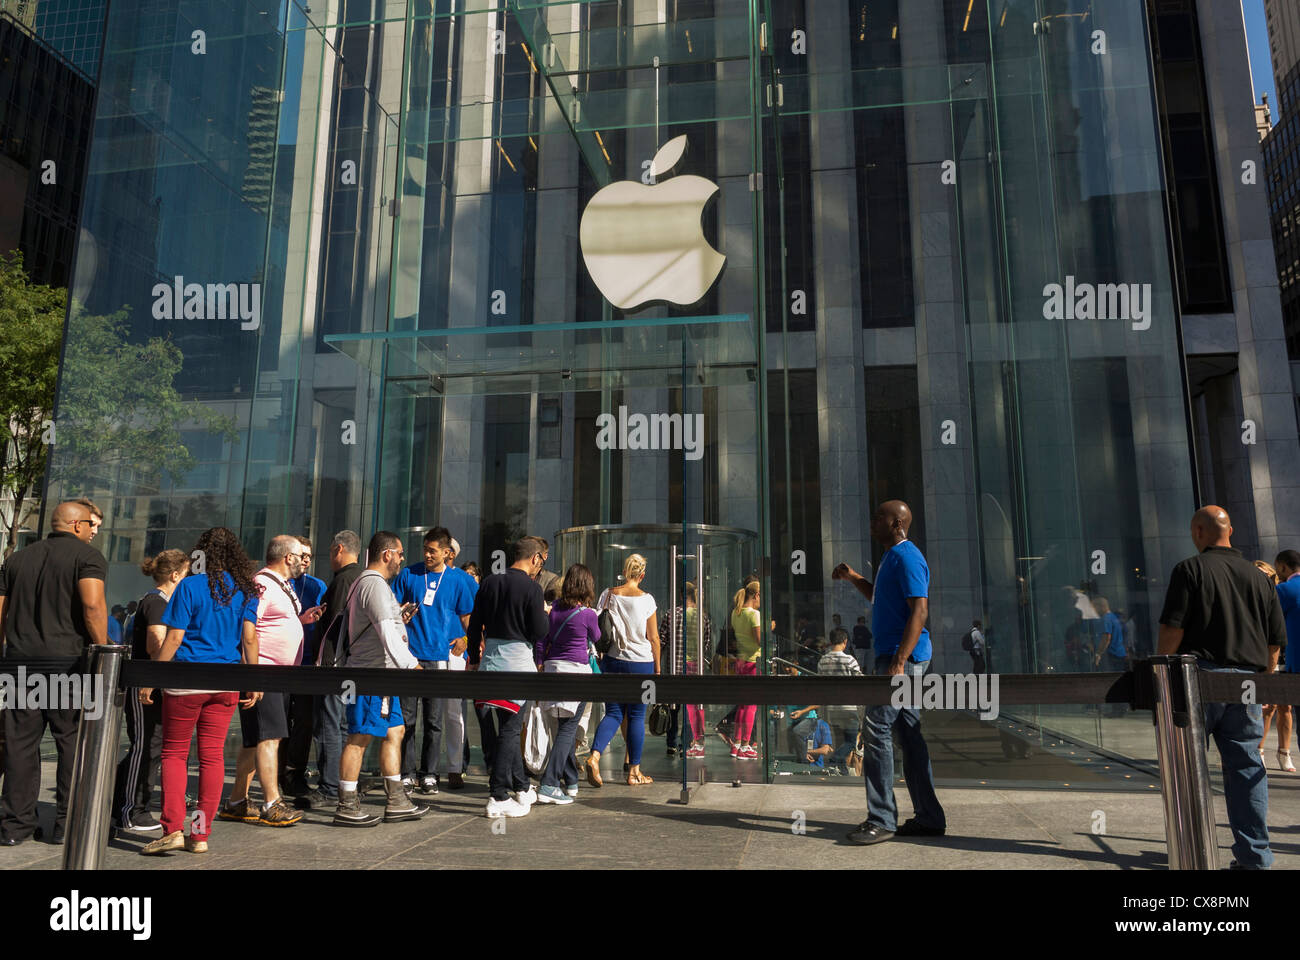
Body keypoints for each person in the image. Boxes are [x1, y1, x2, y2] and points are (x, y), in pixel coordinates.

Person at [1157, 506, 1284, 869]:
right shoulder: (1260, 577)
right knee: (1246, 768)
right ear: (1230, 530)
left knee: (1187, 768)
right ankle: (1255, 857)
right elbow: (1275, 641)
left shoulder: (1189, 569)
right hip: (1247, 683)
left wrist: (1163, 672)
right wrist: (1264, 680)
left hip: (1199, 678)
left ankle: (1192, 854)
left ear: (1198, 531)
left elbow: (1173, 630)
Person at [139, 527, 262, 855]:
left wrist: (152, 678)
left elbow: (174, 639)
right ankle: (199, 834)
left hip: (186, 681)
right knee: (211, 757)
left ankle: (173, 829)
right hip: (225, 682)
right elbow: (249, 638)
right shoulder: (246, 591)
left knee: (176, 754)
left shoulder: (190, 586)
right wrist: (254, 681)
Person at [833, 499, 947, 845]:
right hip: (898, 658)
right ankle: (929, 818)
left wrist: (899, 660)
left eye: (879, 517)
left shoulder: (909, 557)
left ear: (897, 523)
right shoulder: (891, 558)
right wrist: (853, 577)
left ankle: (882, 819)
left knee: (876, 726)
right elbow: (880, 598)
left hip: (904, 661)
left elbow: (921, 611)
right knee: (908, 735)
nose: (872, 521)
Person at [0, 501, 109, 847]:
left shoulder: (16, 559)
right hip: (71, 665)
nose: (94, 531)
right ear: (77, 525)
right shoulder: (88, 557)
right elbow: (92, 605)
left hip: (19, 665)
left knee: (19, 746)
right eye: (92, 524)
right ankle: (67, 823)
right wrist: (104, 647)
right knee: (73, 744)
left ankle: (14, 827)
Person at [219, 536, 321, 828]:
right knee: (269, 738)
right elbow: (248, 628)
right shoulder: (262, 584)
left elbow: (270, 624)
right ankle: (272, 803)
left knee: (255, 740)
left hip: (273, 674)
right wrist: (254, 676)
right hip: (264, 673)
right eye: (300, 555)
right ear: (287, 557)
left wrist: (299, 622)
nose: (304, 560)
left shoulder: (278, 585)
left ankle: (237, 801)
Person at [333, 531, 428, 827]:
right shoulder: (373, 585)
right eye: (399, 554)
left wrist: (399, 618)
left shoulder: (372, 584)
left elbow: (384, 625)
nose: (402, 559)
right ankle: (346, 804)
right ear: (387, 554)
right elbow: (386, 631)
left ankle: (396, 799)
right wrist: (412, 666)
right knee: (359, 737)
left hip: (381, 674)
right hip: (371, 674)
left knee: (395, 731)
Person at [467, 535, 551, 818]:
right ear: (535, 558)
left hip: (490, 661)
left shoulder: (490, 582)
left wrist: (474, 660)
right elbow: (540, 632)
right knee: (511, 730)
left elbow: (475, 624)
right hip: (517, 665)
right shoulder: (532, 588)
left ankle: (523, 787)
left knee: (507, 729)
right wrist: (545, 614)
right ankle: (498, 795)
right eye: (542, 561)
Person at [392, 526, 477, 795]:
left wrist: (466, 640)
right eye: (425, 549)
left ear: (446, 552)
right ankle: (406, 773)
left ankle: (429, 774)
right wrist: (400, 615)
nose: (427, 555)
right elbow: (391, 608)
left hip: (440, 658)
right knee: (407, 719)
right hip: (410, 657)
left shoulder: (459, 580)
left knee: (435, 720)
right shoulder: (409, 574)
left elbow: (468, 618)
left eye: (433, 550)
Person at [112, 549, 188, 835]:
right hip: (146, 682)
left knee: (150, 746)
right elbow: (157, 643)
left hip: (151, 681)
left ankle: (121, 801)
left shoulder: (157, 601)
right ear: (175, 575)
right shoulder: (157, 602)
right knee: (146, 746)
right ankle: (130, 810)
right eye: (186, 573)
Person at [586, 553, 661, 787]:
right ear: (642, 575)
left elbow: (597, 629)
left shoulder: (608, 594)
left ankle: (595, 756)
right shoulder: (647, 599)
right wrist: (657, 669)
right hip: (641, 663)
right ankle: (634, 772)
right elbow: (654, 638)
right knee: (637, 716)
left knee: (614, 713)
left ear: (625, 571)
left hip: (613, 660)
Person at [302, 529, 364, 809]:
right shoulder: (360, 578)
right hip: (348, 664)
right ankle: (340, 782)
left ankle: (328, 786)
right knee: (339, 726)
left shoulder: (343, 580)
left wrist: (323, 662)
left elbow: (334, 628)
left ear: (339, 549)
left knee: (328, 725)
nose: (329, 557)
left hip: (332, 665)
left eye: (329, 551)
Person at [536, 563, 601, 803]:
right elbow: (597, 637)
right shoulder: (587, 614)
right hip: (577, 674)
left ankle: (571, 780)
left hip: (553, 670)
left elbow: (543, 640)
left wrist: (540, 662)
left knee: (563, 727)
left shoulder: (553, 610)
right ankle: (549, 783)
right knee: (568, 730)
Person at [282, 535, 327, 798]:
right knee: (280, 723)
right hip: (281, 663)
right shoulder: (278, 583)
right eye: (302, 555)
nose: (306, 560)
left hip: (308, 662)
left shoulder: (317, 585)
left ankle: (294, 773)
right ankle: (276, 772)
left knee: (304, 722)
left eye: (310, 555)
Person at [659, 581, 712, 758]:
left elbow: (662, 641)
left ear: (681, 595)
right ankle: (688, 743)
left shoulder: (671, 614)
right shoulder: (702, 616)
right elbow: (706, 643)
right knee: (692, 707)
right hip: (695, 667)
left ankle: (671, 743)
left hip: (674, 666)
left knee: (673, 707)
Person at [1256, 559, 1292, 771]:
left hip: (1284, 655)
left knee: (1285, 707)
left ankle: (1284, 752)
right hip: (1266, 656)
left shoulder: (1280, 594)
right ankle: (1259, 751)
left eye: (1266, 574)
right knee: (1266, 708)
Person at [816, 627, 863, 772]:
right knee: (850, 742)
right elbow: (861, 681)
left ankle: (840, 770)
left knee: (840, 742)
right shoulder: (849, 660)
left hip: (831, 709)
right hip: (848, 708)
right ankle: (835, 760)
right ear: (845, 641)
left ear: (831, 642)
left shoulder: (823, 660)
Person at [726, 580, 762, 761]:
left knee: (742, 704)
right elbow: (759, 640)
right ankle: (746, 745)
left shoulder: (735, 612)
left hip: (740, 661)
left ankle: (738, 743)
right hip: (752, 662)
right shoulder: (754, 614)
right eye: (760, 595)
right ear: (756, 595)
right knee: (751, 706)